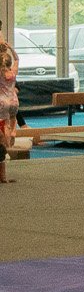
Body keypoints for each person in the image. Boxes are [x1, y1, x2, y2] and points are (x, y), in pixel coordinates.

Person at [0, 27, 17, 183]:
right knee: (10, 121)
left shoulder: (1, 72)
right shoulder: (13, 72)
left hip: (2, 101)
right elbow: (17, 59)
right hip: (13, 100)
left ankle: (5, 144)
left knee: (3, 124)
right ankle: (12, 133)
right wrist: (10, 48)